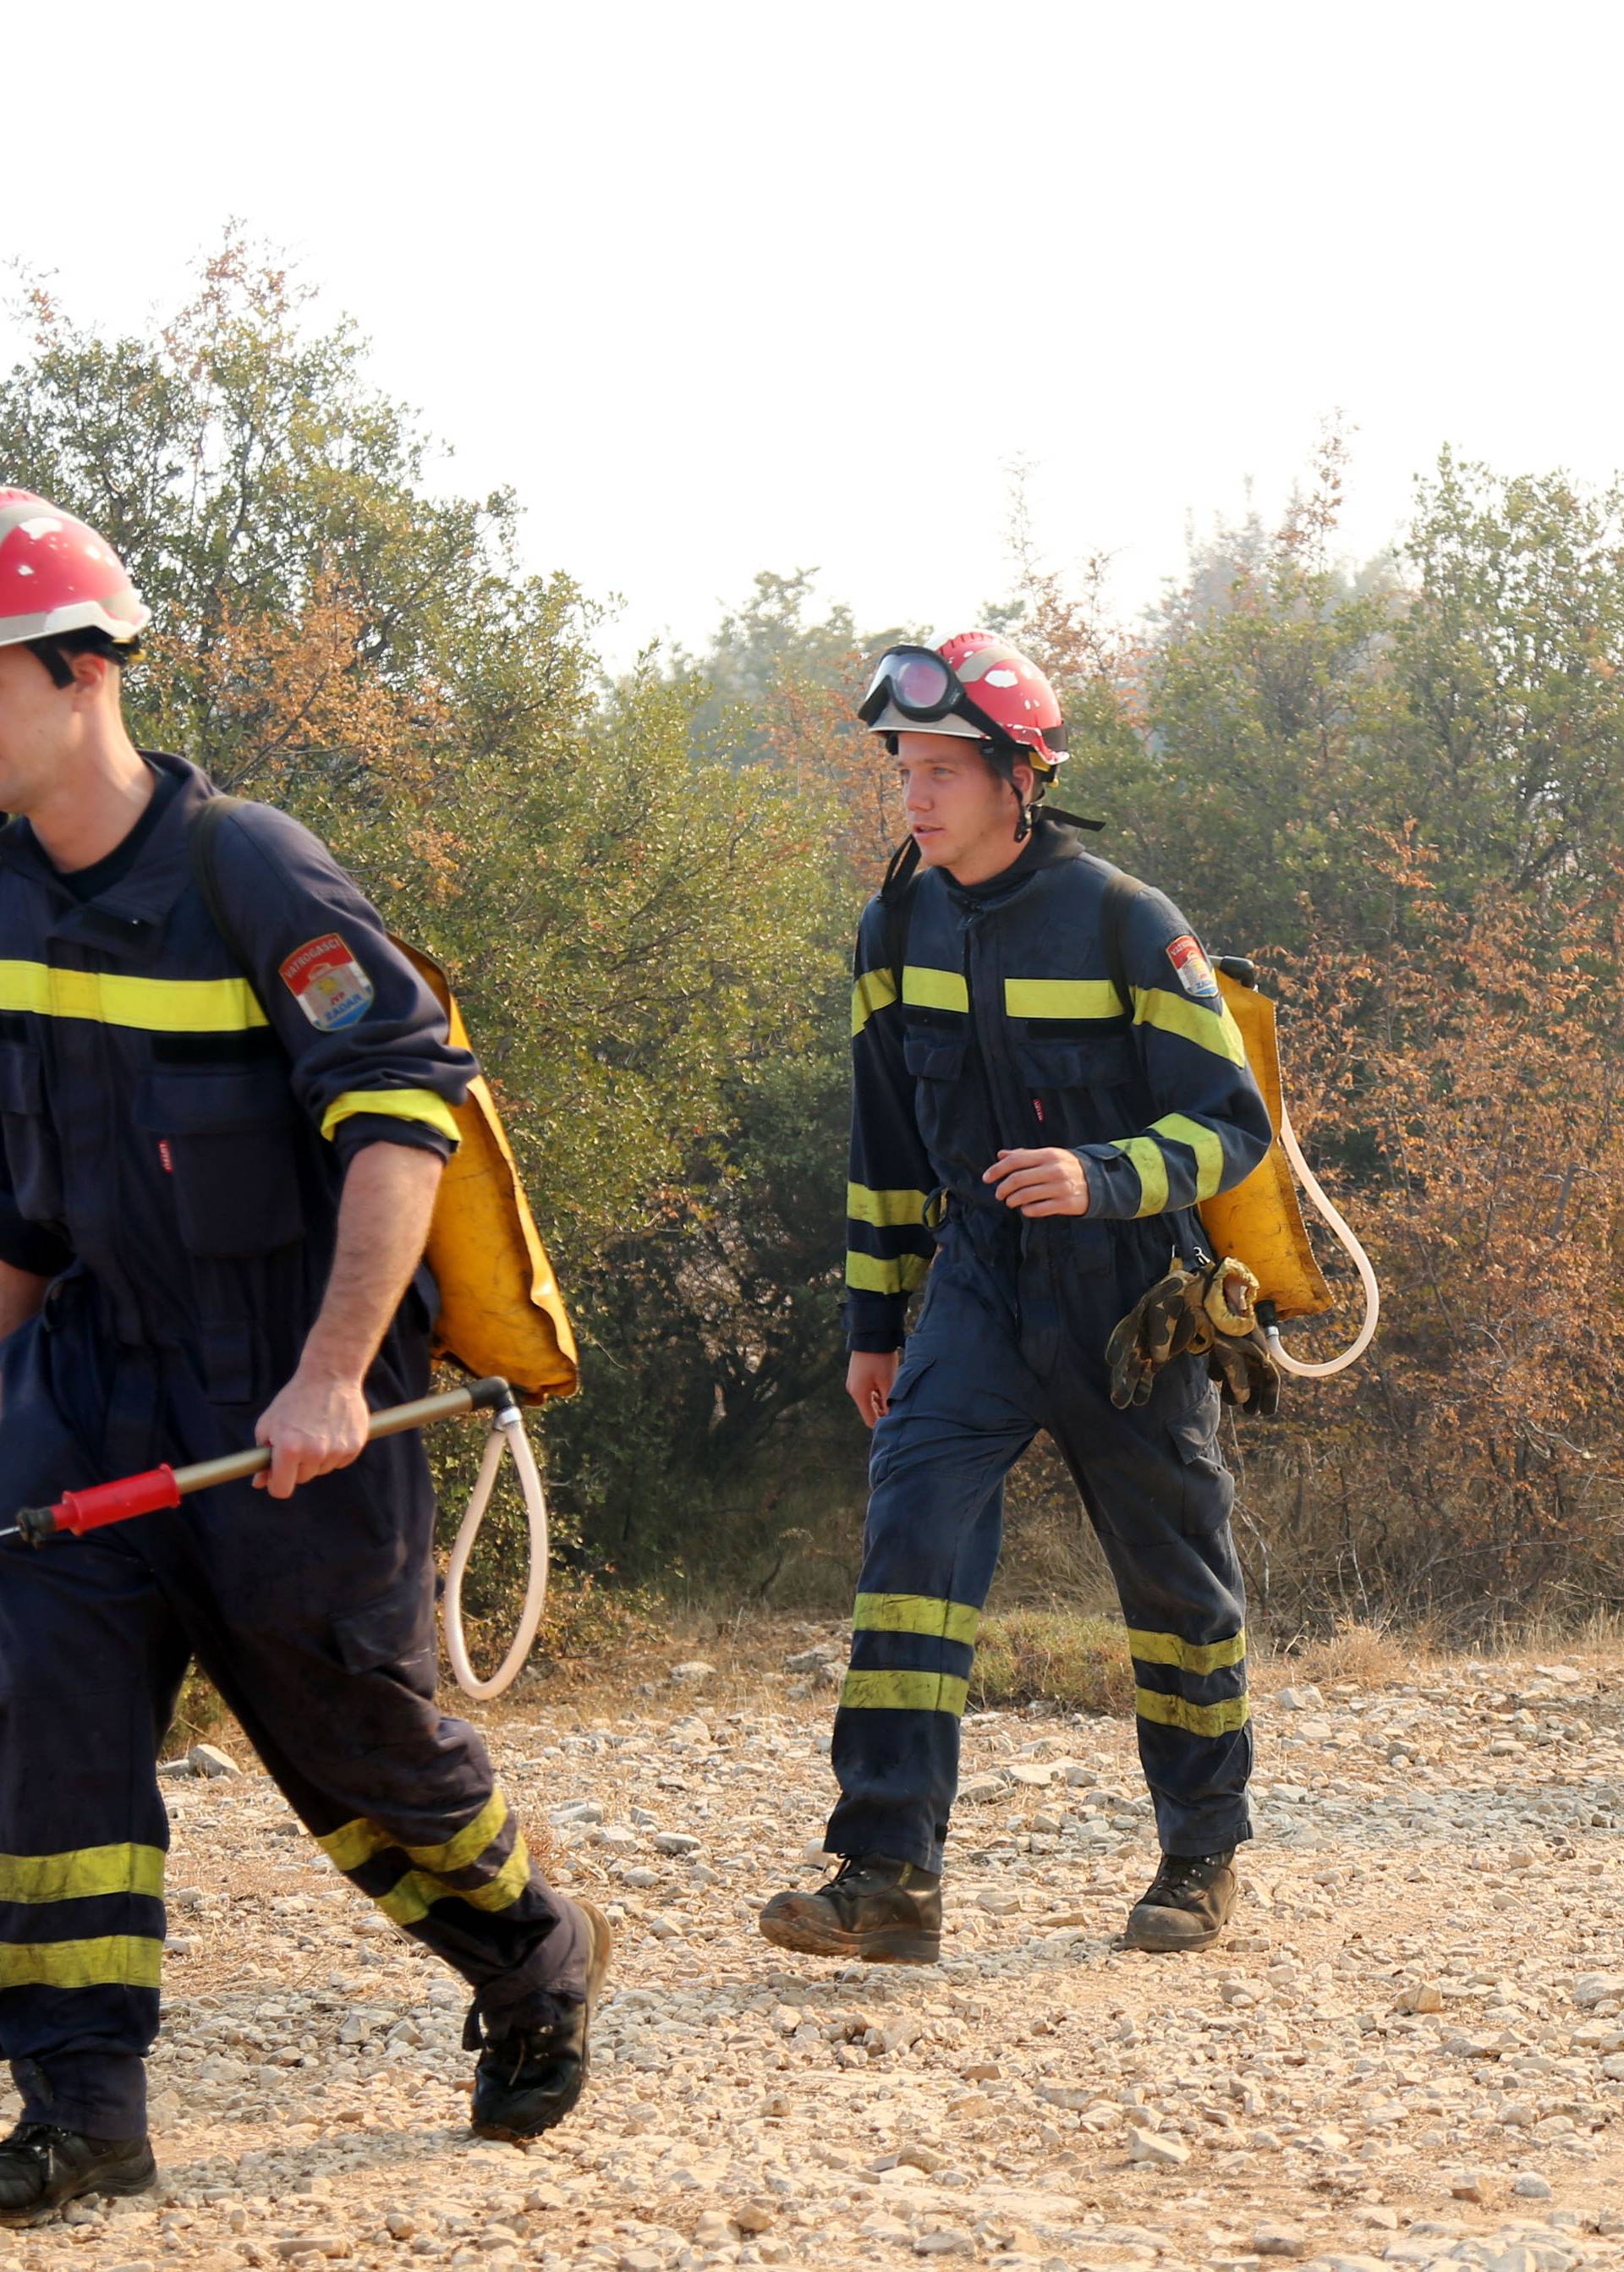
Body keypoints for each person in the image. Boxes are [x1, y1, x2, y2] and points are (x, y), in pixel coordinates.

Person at [0, 491, 609, 2225]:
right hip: (92, 1382)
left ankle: (531, 1941)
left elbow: (400, 1111)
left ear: (74, 671)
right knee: (41, 1717)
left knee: (359, 1747)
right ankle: (83, 2106)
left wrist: (335, 1370)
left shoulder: (242, 866)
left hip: (287, 1388)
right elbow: (17, 1201)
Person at [759, 632, 1275, 1967]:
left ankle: (1202, 1855)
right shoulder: (893, 927)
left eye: (941, 770)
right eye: (905, 770)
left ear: (1018, 779)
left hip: (1129, 1296)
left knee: (1175, 1585)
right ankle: (886, 1874)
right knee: (912, 1543)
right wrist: (874, 1327)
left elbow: (1231, 1128)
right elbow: (881, 1152)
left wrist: (1101, 1176)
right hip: (978, 1288)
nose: (914, 797)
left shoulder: (1125, 920)